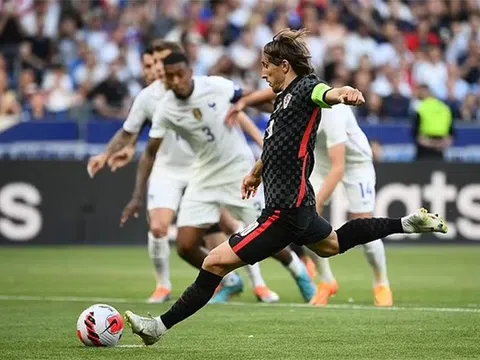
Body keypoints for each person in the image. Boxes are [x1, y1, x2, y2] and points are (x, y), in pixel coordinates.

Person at [124, 29, 447, 346]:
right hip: (299, 204)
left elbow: (327, 93)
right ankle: (407, 223)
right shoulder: (283, 100)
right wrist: (256, 172)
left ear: (284, 66)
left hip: (284, 211)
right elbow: (277, 145)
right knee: (331, 244)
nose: (262, 73)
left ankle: (158, 327)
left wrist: (344, 91)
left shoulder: (307, 88)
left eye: (266, 65)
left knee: (213, 263)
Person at [87, 42, 280, 304]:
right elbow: (130, 133)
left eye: (157, 64)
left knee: (229, 227)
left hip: (201, 167)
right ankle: (164, 285)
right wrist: (107, 154)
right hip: (168, 170)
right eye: (147, 66)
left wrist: (261, 136)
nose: (152, 70)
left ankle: (259, 284)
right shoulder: (148, 99)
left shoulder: (203, 87)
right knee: (159, 228)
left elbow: (235, 111)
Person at [119, 49, 317, 304]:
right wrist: (137, 196)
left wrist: (287, 113)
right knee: (186, 245)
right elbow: (149, 153)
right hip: (204, 175)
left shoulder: (216, 86)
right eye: (170, 77)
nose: (176, 81)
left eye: (180, 75)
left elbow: (253, 99)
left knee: (270, 237)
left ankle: (301, 275)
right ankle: (230, 281)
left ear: (190, 72)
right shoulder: (165, 108)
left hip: (238, 170)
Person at [307, 104, 393, 307]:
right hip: (321, 162)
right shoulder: (294, 102)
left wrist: (319, 202)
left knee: (365, 227)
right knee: (301, 223)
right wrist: (243, 102)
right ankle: (327, 281)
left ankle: (382, 283)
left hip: (355, 164)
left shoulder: (333, 111)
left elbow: (339, 167)